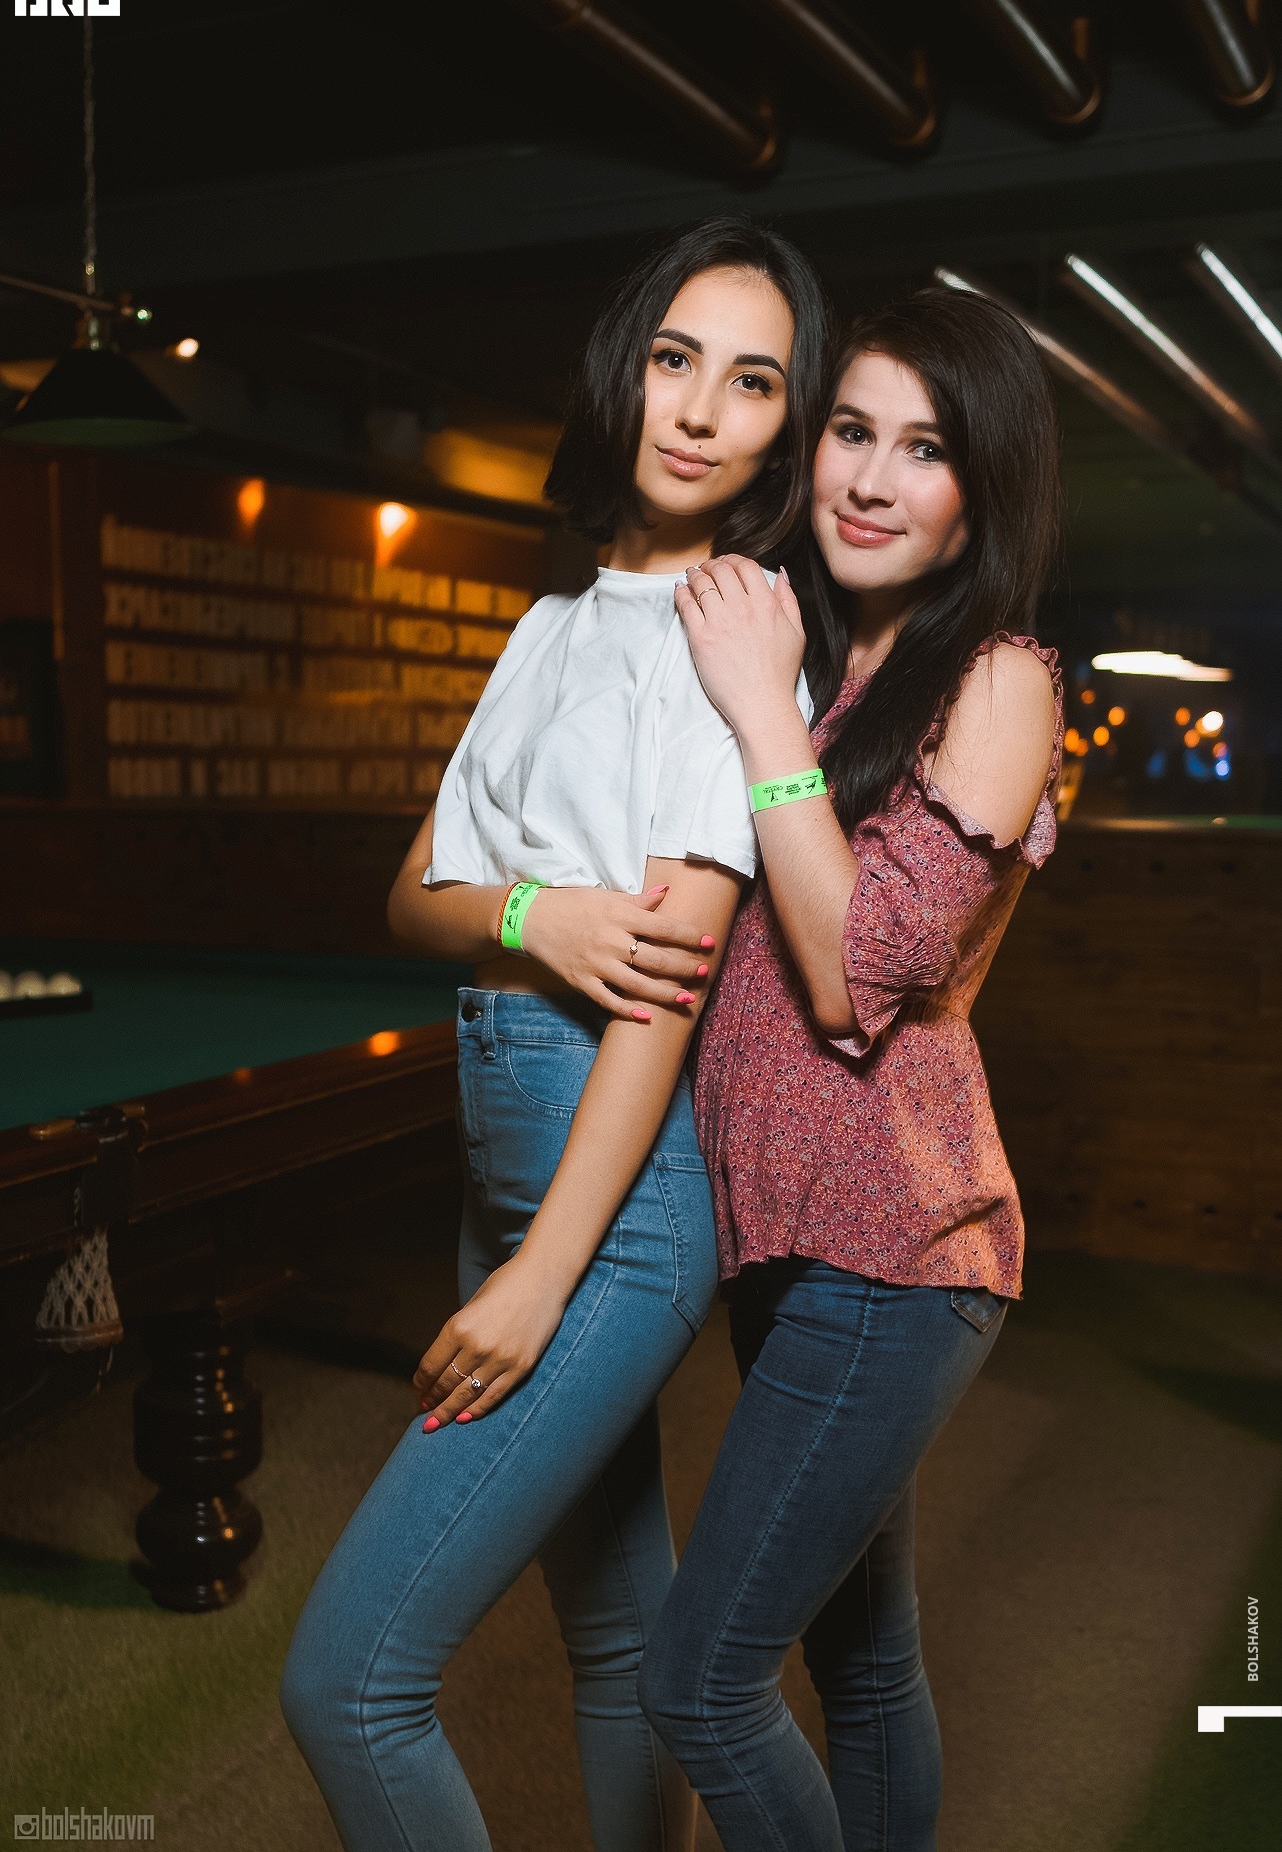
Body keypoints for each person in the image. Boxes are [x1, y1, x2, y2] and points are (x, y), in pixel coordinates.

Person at [278, 218, 831, 1852]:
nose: (699, 410)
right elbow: (413, 896)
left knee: (348, 1681)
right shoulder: (551, 623)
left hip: (613, 1205)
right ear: (623, 370)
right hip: (503, 1166)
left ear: (783, 432)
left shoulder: (737, 633)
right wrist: (537, 914)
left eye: (752, 383)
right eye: (674, 360)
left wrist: (543, 1276)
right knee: (619, 1638)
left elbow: (661, 999)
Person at [635, 285, 1064, 1852]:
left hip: (895, 1251)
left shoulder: (996, 678)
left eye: (925, 449)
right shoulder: (815, 664)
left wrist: (760, 712)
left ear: (981, 491)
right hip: (790, 1238)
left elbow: (851, 979)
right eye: (850, 432)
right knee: (862, 1662)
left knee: (699, 1684)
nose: (871, 480)